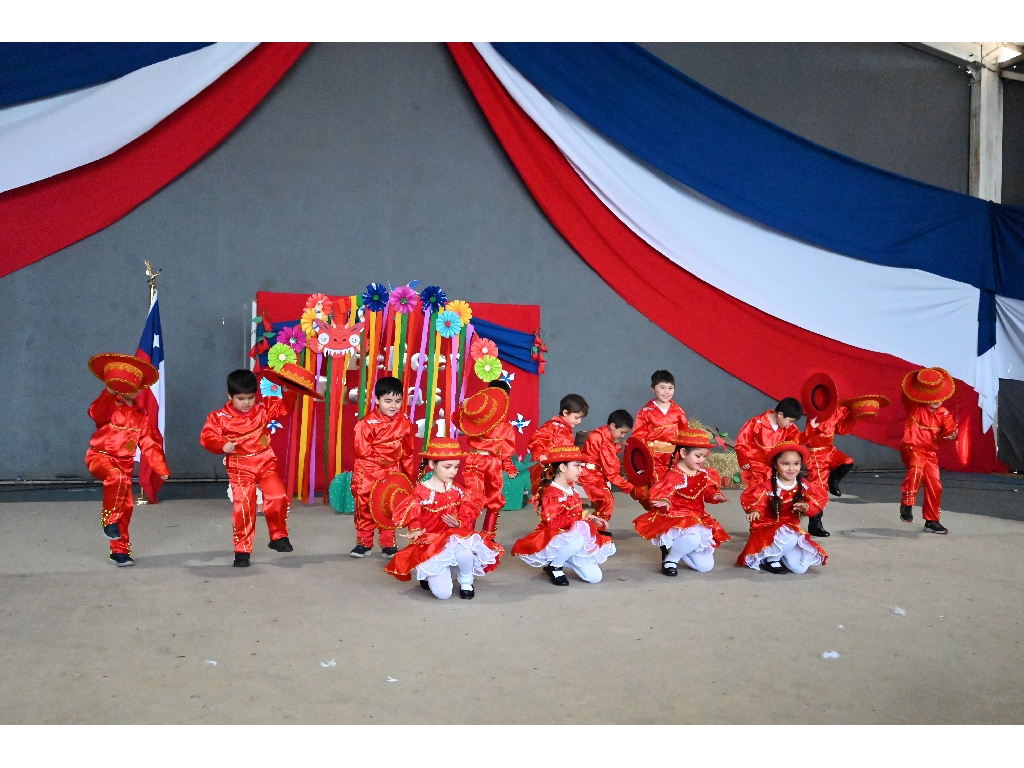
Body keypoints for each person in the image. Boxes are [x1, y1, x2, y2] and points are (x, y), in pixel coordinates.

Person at [200, 369, 297, 567]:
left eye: (251, 398)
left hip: (265, 463)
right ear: (230, 396)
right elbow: (207, 437)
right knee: (243, 507)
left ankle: (278, 536)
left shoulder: (263, 409)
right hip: (240, 467)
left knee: (278, 496)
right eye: (241, 398)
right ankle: (242, 550)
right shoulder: (218, 417)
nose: (246, 403)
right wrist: (221, 444)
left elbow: (285, 408)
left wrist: (289, 392)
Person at [383, 439, 502, 600]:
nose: (453, 472)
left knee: (465, 551)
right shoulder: (422, 491)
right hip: (430, 544)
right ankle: (429, 571)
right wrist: (416, 529)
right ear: (432, 464)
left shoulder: (458, 490)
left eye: (456, 467)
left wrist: (458, 523)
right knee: (443, 594)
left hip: (451, 540)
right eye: (447, 467)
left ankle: (466, 581)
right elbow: (415, 516)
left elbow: (466, 514)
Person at [85, 353, 170, 567]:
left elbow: (150, 443)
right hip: (100, 457)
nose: (135, 389)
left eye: (138, 385)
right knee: (117, 478)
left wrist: (160, 467)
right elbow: (97, 413)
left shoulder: (141, 415)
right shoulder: (109, 405)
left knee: (126, 505)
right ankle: (109, 520)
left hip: (125, 464)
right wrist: (108, 391)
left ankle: (119, 551)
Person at [512, 445, 615, 585]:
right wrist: (581, 520)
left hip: (573, 538)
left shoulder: (572, 490)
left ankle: (566, 557)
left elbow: (574, 513)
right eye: (577, 465)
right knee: (579, 536)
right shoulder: (551, 493)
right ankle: (555, 565)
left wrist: (591, 518)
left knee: (595, 577)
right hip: (556, 536)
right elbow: (552, 522)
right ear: (562, 467)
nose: (581, 470)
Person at [634, 428, 730, 576]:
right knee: (693, 537)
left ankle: (678, 548)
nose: (701, 460)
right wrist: (665, 501)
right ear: (684, 453)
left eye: (704, 456)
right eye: (698, 456)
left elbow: (707, 492)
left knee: (705, 566)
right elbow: (661, 493)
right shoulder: (674, 476)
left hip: (697, 518)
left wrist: (715, 496)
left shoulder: (704, 474)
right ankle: (671, 559)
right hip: (677, 519)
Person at [350, 376, 418, 557]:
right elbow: (362, 454)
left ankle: (388, 543)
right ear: (377, 400)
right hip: (368, 471)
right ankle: (364, 543)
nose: (393, 406)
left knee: (389, 504)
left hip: (392, 470)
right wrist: (380, 474)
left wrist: (409, 479)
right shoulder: (365, 424)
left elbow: (407, 453)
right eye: (388, 401)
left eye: (397, 401)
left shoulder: (404, 422)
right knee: (365, 507)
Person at [737, 442, 828, 574]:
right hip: (768, 529)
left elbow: (817, 503)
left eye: (796, 464)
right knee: (791, 538)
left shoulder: (804, 485)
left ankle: (779, 554)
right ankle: (771, 560)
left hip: (791, 530)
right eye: (785, 464)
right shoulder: (767, 487)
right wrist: (755, 510)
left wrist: (807, 507)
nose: (791, 468)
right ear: (776, 465)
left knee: (800, 569)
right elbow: (757, 502)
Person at [899, 368, 958, 534]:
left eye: (940, 396)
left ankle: (932, 521)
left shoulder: (944, 413)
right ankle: (907, 504)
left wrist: (951, 435)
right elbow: (907, 394)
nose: (937, 400)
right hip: (912, 447)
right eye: (932, 396)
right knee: (917, 469)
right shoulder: (915, 407)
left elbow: (950, 431)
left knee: (935, 485)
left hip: (929, 453)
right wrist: (922, 382)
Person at [454, 380, 517, 534]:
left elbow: (506, 451)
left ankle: (488, 534)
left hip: (494, 463)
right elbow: (458, 421)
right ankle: (467, 533)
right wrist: (464, 407)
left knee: (494, 497)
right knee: (473, 496)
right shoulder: (477, 419)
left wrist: (509, 467)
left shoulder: (506, 427)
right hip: (475, 461)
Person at [631, 371, 689, 497]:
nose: (666, 392)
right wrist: (644, 457)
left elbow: (685, 434)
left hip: (674, 457)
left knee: (674, 487)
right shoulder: (645, 412)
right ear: (653, 388)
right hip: (654, 458)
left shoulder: (679, 411)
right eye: (662, 387)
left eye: (670, 388)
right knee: (656, 488)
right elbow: (639, 436)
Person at [801, 405, 855, 537]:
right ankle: (815, 524)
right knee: (818, 490)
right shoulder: (815, 414)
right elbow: (824, 426)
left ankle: (833, 480)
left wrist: (853, 415)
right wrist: (841, 412)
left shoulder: (833, 413)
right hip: (816, 456)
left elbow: (842, 429)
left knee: (847, 462)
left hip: (829, 451)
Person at [578, 409, 634, 527]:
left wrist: (619, 445)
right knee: (607, 501)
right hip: (590, 475)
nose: (622, 436)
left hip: (593, 473)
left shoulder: (602, 434)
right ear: (613, 426)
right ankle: (596, 528)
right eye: (622, 432)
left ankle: (594, 527)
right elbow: (611, 472)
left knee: (605, 502)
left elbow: (607, 450)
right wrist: (630, 487)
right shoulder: (600, 438)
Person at [735, 397, 803, 489]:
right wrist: (744, 459)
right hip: (755, 469)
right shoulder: (755, 423)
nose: (791, 424)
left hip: (774, 470)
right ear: (780, 414)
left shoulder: (789, 428)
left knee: (773, 492)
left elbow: (798, 439)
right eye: (790, 421)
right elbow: (741, 443)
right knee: (756, 493)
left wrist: (810, 431)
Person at [527, 393, 588, 495]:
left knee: (564, 496)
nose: (579, 421)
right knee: (551, 497)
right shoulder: (552, 426)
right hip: (551, 471)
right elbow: (537, 440)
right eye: (576, 417)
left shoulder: (565, 429)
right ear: (565, 412)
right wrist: (541, 455)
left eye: (581, 418)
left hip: (563, 472)